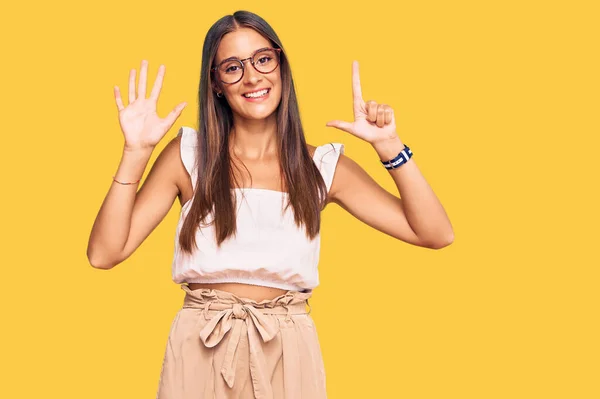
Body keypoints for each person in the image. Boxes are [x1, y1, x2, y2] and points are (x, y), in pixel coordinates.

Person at [87, 10, 453, 399]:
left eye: (263, 59)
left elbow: (434, 232)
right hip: (200, 344)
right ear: (216, 83)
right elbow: (104, 254)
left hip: (287, 350)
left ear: (280, 65)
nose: (252, 77)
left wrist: (390, 147)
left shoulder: (320, 167)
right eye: (232, 67)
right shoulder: (189, 156)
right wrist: (136, 152)